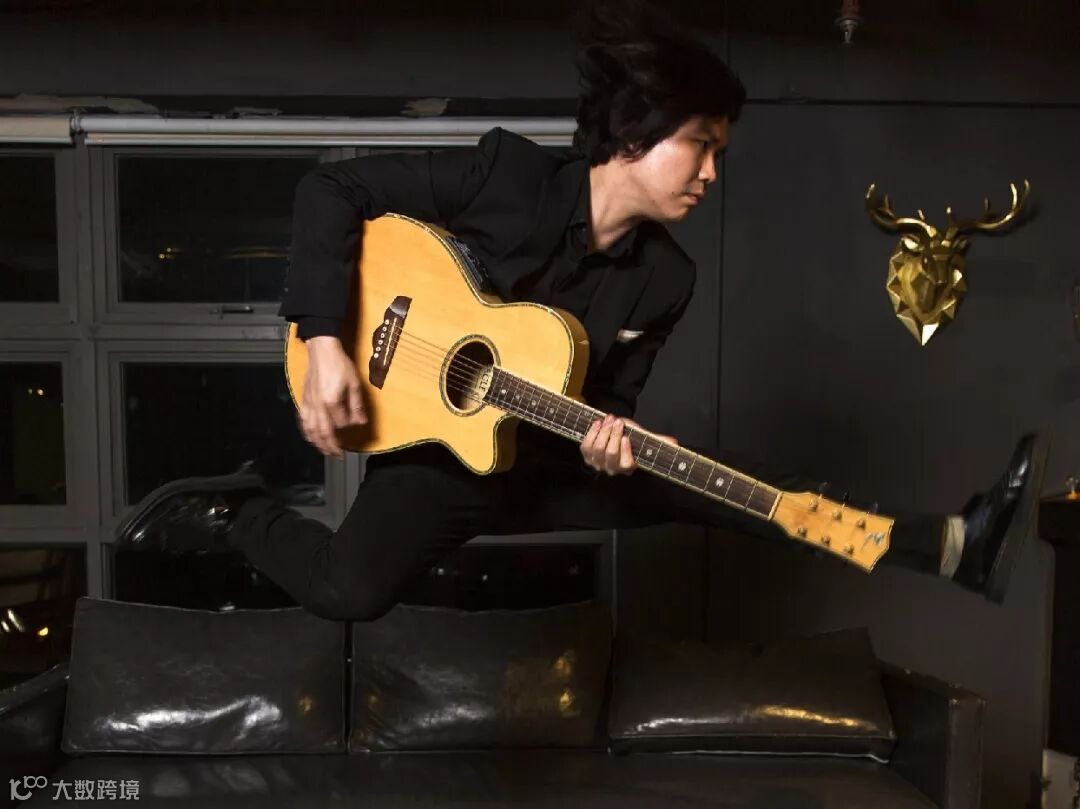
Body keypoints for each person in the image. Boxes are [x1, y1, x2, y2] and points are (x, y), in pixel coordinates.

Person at [117, 0, 1047, 615]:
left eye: (720, 153)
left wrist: (610, 440)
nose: (712, 172)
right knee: (348, 592)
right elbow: (332, 190)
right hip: (437, 451)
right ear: (638, 132)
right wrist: (326, 341)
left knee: (708, 481)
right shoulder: (508, 175)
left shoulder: (667, 279)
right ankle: (239, 506)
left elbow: (612, 404)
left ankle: (942, 543)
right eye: (701, 145)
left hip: (539, 453)